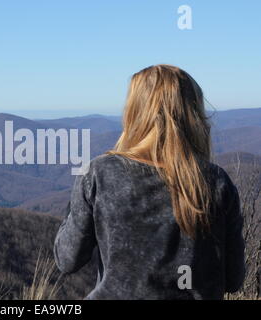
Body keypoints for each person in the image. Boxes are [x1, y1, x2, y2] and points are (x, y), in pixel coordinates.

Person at [53, 64, 246, 299]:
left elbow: (67, 259)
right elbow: (233, 279)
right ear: (193, 114)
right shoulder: (217, 183)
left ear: (135, 112)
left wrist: (77, 201)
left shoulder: (100, 173)